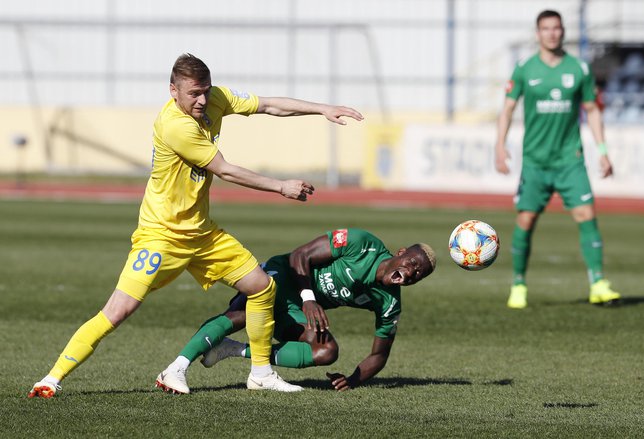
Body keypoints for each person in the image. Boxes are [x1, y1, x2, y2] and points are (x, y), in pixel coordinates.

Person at [28, 53, 363, 398]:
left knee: (261, 286)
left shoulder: (214, 98)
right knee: (118, 310)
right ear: (173, 90)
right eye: (193, 94)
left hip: (202, 233)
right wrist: (281, 186)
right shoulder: (176, 126)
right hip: (161, 236)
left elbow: (268, 106)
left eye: (205, 91)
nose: (202, 100)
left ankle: (261, 373)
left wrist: (321, 108)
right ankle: (51, 378)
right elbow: (225, 169)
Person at [155, 228, 436, 393]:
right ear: (400, 253)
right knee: (240, 316)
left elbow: (379, 354)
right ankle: (176, 368)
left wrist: (352, 380)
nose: (411, 273)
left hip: (297, 307)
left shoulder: (388, 302)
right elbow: (300, 256)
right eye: (412, 263)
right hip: (283, 275)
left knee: (327, 351)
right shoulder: (361, 243)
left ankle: (232, 351)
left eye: (418, 275)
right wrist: (308, 297)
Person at [494, 10, 621, 309]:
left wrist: (603, 152)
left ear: (563, 32)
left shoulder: (579, 68)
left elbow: (592, 110)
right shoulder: (524, 68)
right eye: (546, 29)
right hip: (535, 161)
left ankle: (598, 283)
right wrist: (499, 146)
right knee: (526, 220)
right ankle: (518, 285)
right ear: (537, 34)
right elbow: (508, 109)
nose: (552, 33)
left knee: (586, 215)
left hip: (570, 159)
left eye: (556, 28)